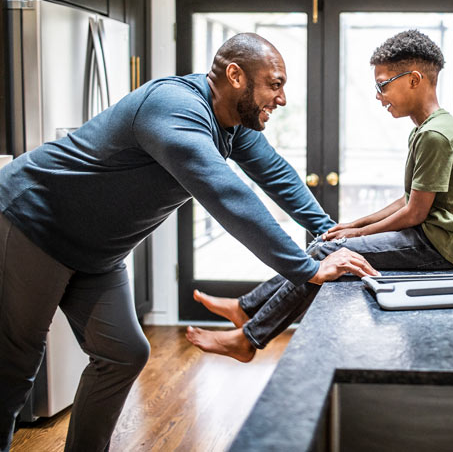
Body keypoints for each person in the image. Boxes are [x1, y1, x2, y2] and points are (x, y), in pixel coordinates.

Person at [0, 33, 378, 452]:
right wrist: (307, 268)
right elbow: (227, 195)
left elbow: (278, 175)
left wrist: (329, 234)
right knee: (12, 367)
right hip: (32, 223)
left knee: (122, 354)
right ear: (235, 75)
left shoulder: (234, 126)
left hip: (97, 255)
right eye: (275, 84)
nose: (282, 98)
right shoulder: (173, 109)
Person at [191, 28, 453, 357]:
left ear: (414, 79)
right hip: (434, 236)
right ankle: (247, 308)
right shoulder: (428, 129)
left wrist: (354, 234)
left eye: (383, 84)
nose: (378, 95)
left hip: (443, 246)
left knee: (331, 254)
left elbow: (415, 213)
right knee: (327, 244)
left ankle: (248, 339)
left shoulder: (435, 135)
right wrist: (351, 227)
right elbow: (409, 200)